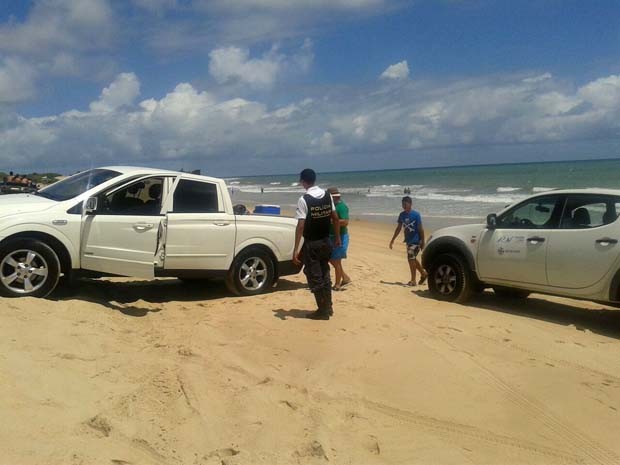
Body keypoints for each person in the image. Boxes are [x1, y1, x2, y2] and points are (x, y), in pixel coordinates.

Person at [293, 169, 341, 320]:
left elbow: (300, 226)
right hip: (326, 241)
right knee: (325, 272)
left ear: (303, 181)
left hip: (312, 243)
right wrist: (337, 237)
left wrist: (295, 249)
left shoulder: (304, 200)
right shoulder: (327, 196)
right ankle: (328, 306)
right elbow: (335, 218)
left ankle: (323, 310)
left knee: (314, 276)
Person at [389, 196, 428, 286]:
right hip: (408, 241)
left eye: (405, 203)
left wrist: (422, 241)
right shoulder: (401, 215)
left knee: (410, 258)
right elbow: (398, 228)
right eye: (402, 203)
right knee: (412, 258)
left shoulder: (416, 215)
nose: (403, 205)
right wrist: (392, 239)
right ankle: (424, 274)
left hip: (416, 240)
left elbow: (420, 229)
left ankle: (413, 280)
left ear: (410, 204)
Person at [326, 187, 351, 291]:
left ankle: (337, 284)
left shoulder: (341, 207)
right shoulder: (331, 207)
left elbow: (345, 222)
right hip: (330, 236)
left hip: (341, 236)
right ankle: (345, 278)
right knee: (332, 259)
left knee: (336, 260)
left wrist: (333, 221)